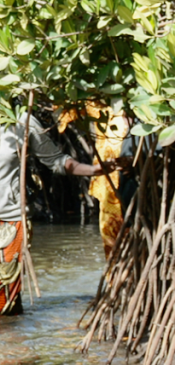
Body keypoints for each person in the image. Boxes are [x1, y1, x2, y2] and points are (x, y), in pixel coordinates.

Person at [0, 100, 114, 315]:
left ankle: (3, 345)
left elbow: (56, 160)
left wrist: (94, 170)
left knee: (2, 299)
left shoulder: (24, 123)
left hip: (11, 220)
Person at [58, 103, 131, 259]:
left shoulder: (140, 107)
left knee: (139, 231)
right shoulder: (97, 102)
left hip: (139, 179)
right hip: (108, 182)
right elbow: (62, 111)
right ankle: (117, 278)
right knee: (112, 237)